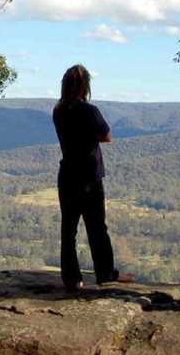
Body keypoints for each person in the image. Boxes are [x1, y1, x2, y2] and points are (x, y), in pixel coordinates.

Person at [52, 64, 125, 291]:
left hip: (67, 175)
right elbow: (106, 136)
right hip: (90, 177)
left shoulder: (58, 110)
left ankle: (72, 279)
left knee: (68, 229)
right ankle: (104, 274)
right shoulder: (90, 111)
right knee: (97, 228)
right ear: (85, 86)